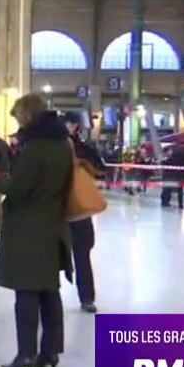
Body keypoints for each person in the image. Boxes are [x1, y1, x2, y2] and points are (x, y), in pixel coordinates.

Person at [0, 95, 72, 367]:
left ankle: (26, 354)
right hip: (53, 223)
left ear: (28, 116)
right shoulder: (63, 144)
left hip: (28, 228)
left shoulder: (35, 148)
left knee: (27, 294)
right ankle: (50, 351)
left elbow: (18, 188)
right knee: (49, 291)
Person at [64, 112, 107, 313]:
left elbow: (101, 169)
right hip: (69, 208)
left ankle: (87, 297)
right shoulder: (53, 146)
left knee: (81, 254)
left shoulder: (81, 148)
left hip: (73, 207)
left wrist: (82, 163)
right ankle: (86, 298)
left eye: (69, 123)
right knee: (79, 254)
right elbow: (101, 169)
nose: (66, 127)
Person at [161, 142, 184, 209]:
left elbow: (165, 163)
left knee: (177, 188)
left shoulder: (174, 153)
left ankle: (180, 204)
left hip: (176, 174)